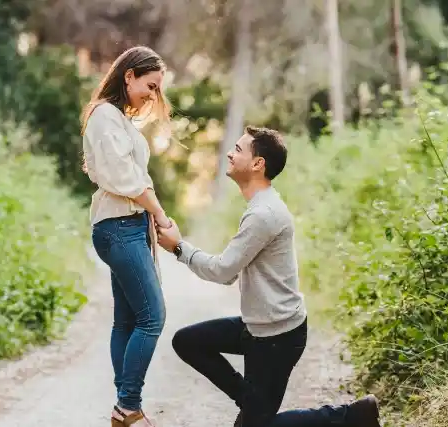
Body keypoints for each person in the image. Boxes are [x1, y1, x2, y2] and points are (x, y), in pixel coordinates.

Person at [157, 125, 382, 427]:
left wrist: (179, 248)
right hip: (257, 329)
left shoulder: (264, 214)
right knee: (187, 341)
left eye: (238, 149)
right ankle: (252, 402)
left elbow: (224, 271)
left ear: (257, 163)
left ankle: (350, 416)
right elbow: (230, 273)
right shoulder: (259, 208)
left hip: (278, 337)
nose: (229, 153)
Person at [81, 45, 173, 427]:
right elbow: (124, 177)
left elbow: (119, 172)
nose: (152, 96)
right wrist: (161, 214)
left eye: (156, 90)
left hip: (127, 225)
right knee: (153, 316)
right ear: (128, 75)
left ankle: (125, 406)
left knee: (129, 320)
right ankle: (128, 406)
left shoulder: (116, 118)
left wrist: (149, 215)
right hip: (119, 226)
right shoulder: (105, 115)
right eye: (149, 86)